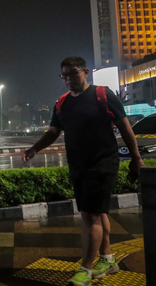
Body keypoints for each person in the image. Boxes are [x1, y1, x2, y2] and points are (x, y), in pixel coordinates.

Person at [22, 57, 144, 286]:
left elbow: (125, 128)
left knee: (90, 216)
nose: (68, 79)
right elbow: (53, 132)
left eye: (73, 73)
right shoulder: (62, 103)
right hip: (78, 165)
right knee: (97, 212)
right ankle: (108, 259)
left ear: (86, 72)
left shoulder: (103, 94)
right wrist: (34, 148)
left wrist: (136, 158)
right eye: (64, 75)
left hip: (103, 163)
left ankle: (85, 270)